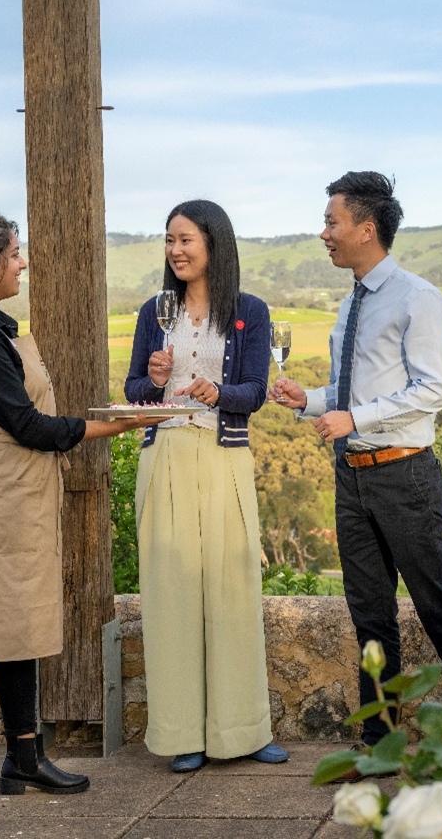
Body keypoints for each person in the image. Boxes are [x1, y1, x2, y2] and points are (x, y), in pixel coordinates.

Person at [0, 199, 164, 812]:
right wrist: (119, 425)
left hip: (13, 491)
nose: (24, 263)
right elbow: (29, 424)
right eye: (15, 254)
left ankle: (23, 758)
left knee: (18, 626)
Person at [270, 172, 442, 759]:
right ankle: (378, 745)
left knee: (438, 607)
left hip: (404, 474)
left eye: (331, 222)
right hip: (352, 475)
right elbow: (351, 390)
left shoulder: (417, 297)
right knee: (369, 619)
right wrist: (309, 401)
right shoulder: (349, 301)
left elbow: (433, 389)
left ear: (365, 228)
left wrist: (355, 419)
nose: (323, 233)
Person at [124, 199, 289, 773]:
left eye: (186, 239)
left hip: (224, 458)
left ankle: (242, 731)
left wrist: (219, 394)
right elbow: (135, 392)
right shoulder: (155, 311)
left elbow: (256, 392)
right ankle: (180, 736)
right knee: (170, 598)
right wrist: (156, 379)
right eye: (169, 240)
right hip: (166, 453)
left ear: (214, 244)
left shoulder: (249, 311)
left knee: (232, 592)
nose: (175, 250)